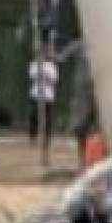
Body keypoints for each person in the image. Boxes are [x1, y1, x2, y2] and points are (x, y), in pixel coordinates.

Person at [27, 42, 62, 170]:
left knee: (47, 120)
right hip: (36, 95)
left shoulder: (51, 66)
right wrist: (40, 72)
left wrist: (44, 74)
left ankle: (46, 139)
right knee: (33, 116)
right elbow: (32, 75)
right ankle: (33, 135)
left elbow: (54, 79)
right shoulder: (34, 64)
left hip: (47, 96)